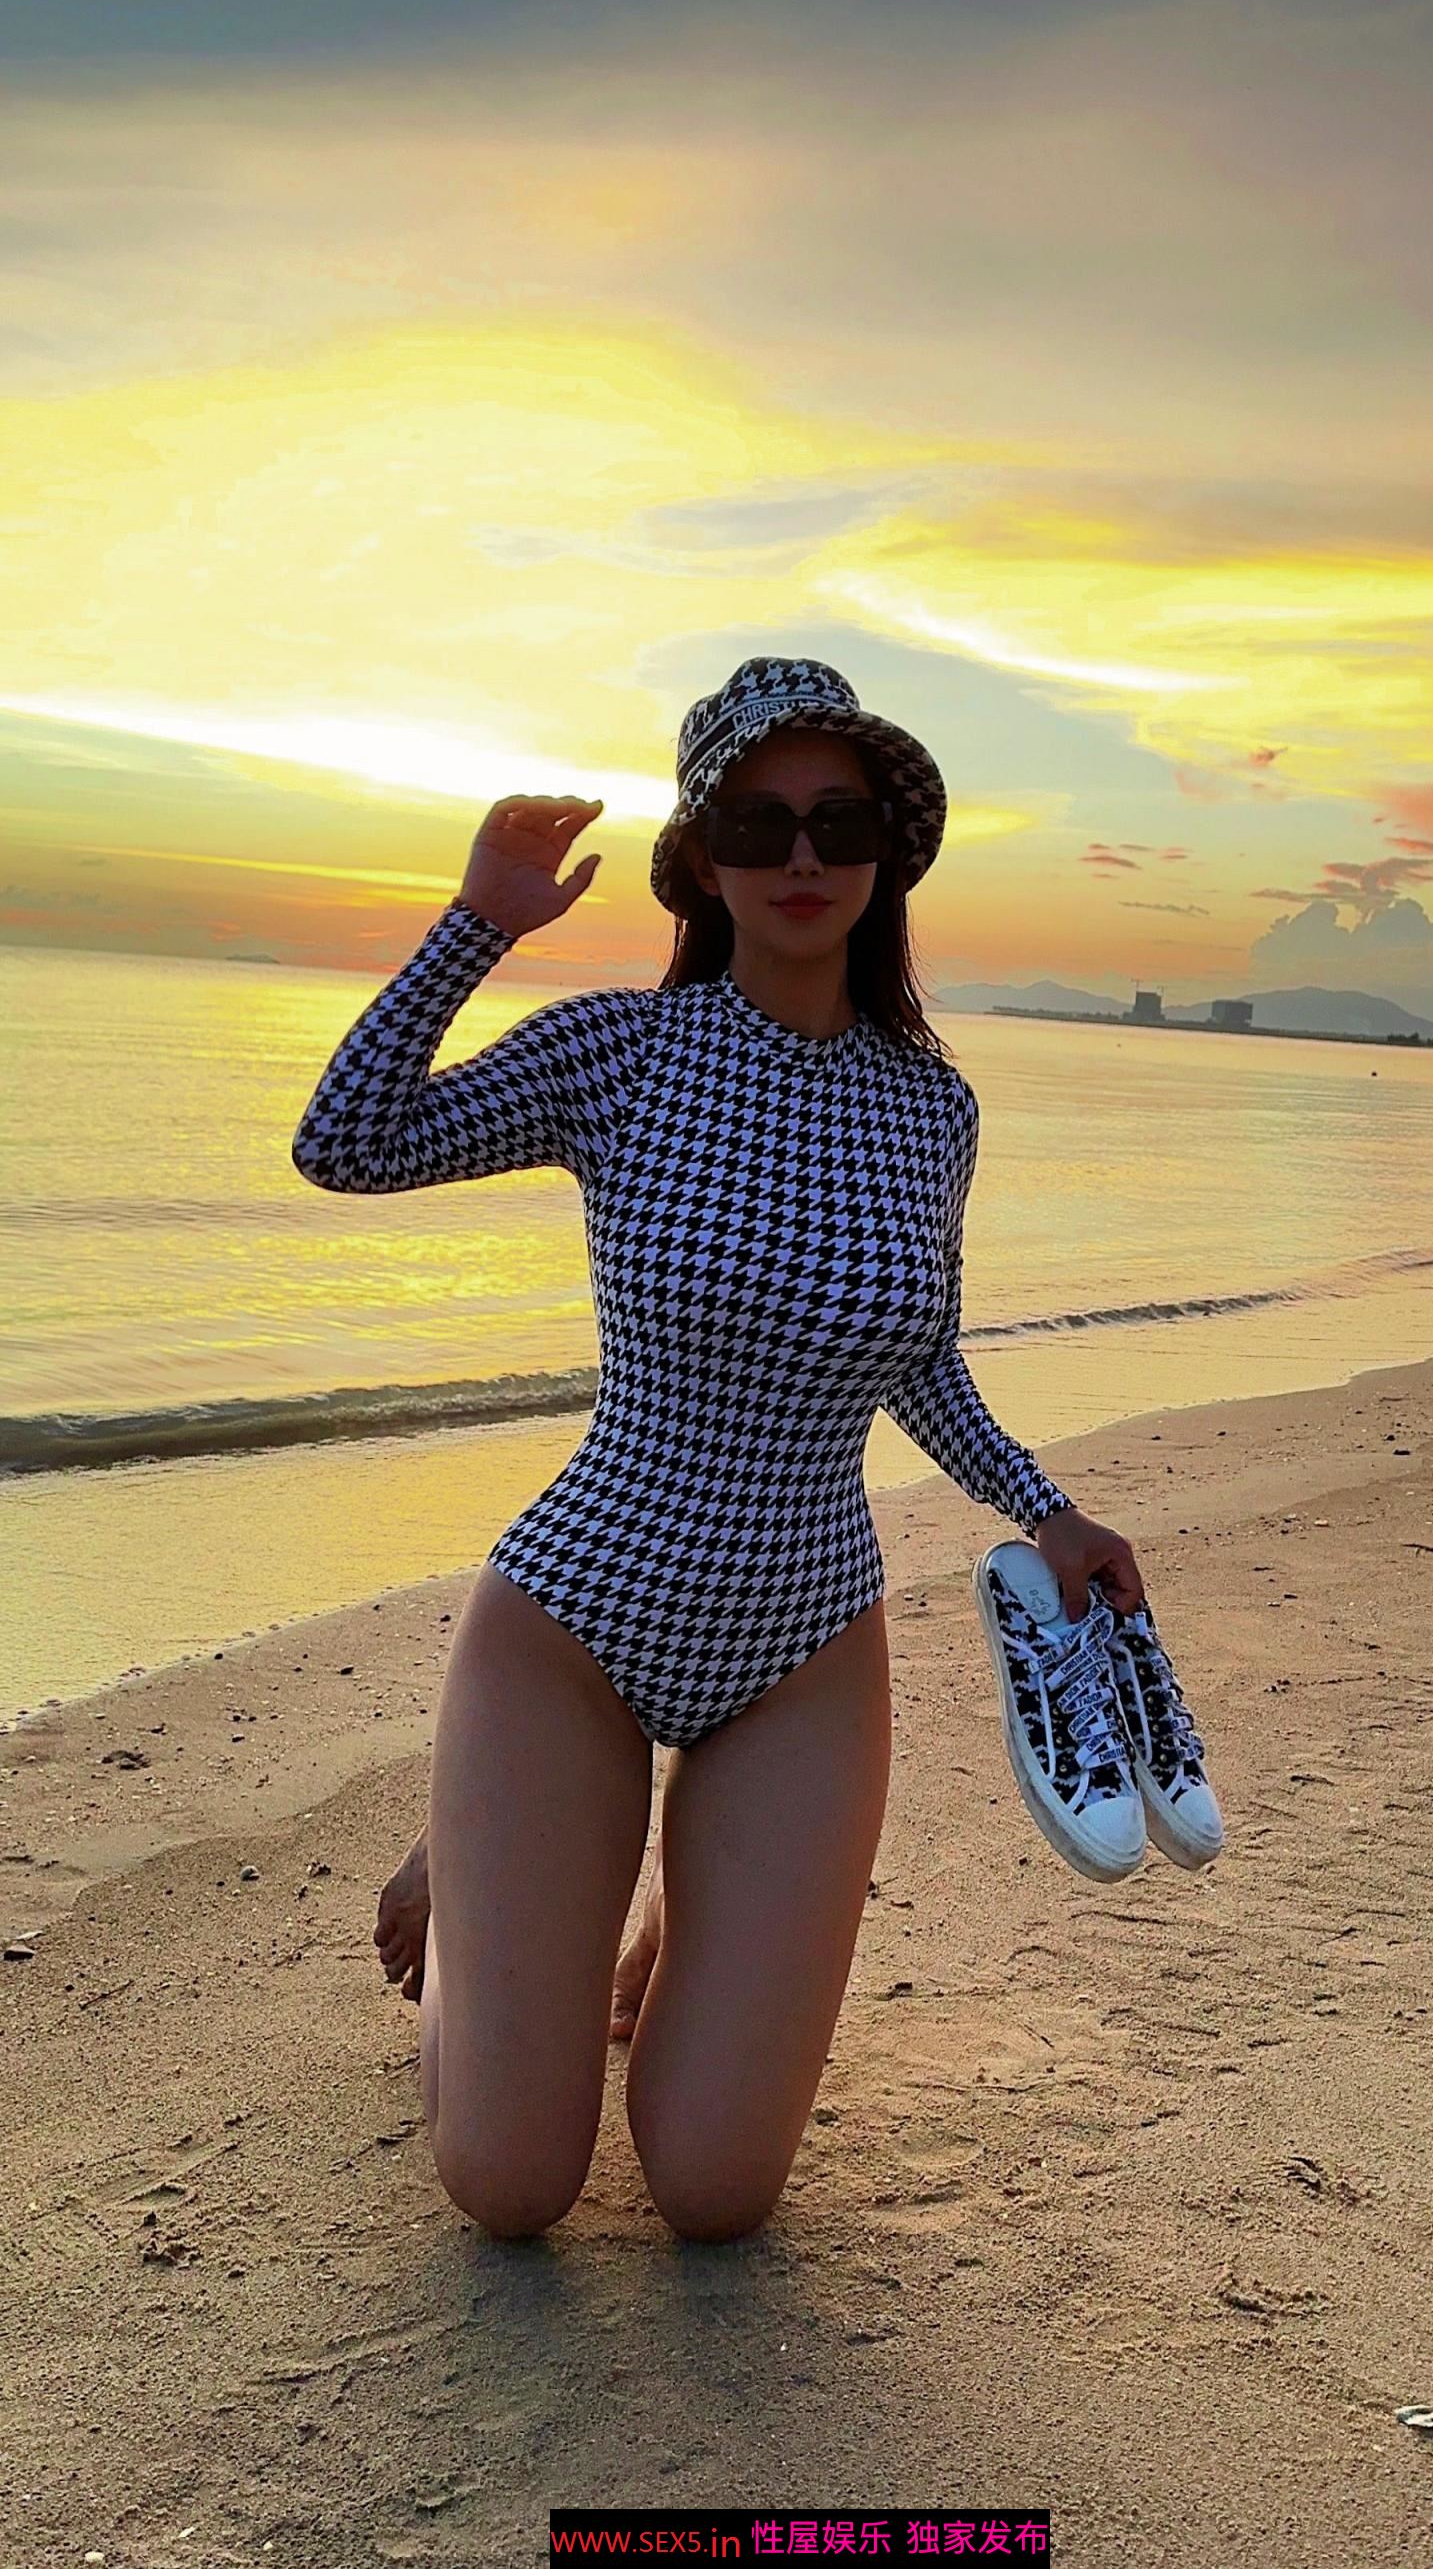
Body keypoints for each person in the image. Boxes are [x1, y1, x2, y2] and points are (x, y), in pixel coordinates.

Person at [291, 654, 1153, 2242]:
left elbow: (919, 1360)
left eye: (839, 821)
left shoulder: (931, 1110)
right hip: (574, 1625)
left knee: (712, 2193)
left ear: (887, 853)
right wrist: (478, 924)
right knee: (512, 2184)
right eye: (757, 824)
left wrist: (1050, 1511)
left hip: (803, 1650)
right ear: (699, 860)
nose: (802, 856)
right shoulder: (619, 1054)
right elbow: (345, 1142)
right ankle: (475, 1879)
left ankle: (631, 1908)